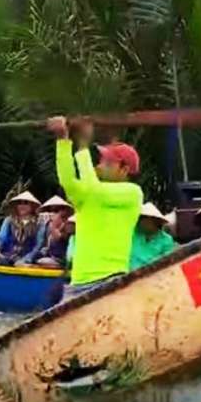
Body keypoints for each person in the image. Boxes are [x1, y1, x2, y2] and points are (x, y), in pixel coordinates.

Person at [49, 116, 143, 300]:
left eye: (107, 162)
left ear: (124, 169)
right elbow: (67, 180)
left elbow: (95, 190)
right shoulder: (91, 192)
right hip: (78, 283)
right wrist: (63, 140)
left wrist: (83, 145)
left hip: (110, 280)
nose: (99, 166)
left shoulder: (132, 193)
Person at [0, 192, 42, 266]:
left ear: (32, 206)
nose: (22, 206)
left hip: (27, 258)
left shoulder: (39, 223)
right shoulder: (9, 220)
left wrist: (26, 259)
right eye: (19, 203)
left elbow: (38, 245)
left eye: (26, 203)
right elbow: (1, 238)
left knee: (21, 264)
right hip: (8, 256)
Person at [130, 202, 176, 270]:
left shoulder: (166, 240)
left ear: (156, 221)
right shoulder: (131, 234)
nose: (143, 222)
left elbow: (168, 263)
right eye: (142, 218)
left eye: (147, 219)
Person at [32, 196, 74, 268]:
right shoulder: (46, 225)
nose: (52, 214)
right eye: (51, 211)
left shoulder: (69, 224)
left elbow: (59, 238)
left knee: (43, 262)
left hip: (62, 258)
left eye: (56, 211)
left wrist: (53, 226)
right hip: (49, 255)